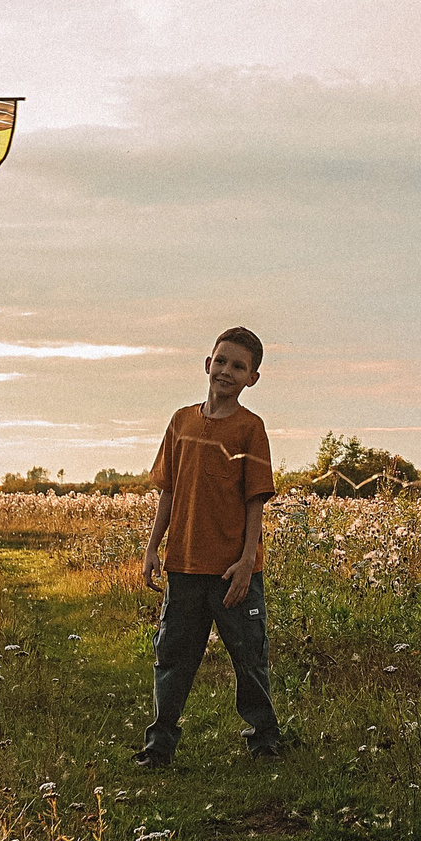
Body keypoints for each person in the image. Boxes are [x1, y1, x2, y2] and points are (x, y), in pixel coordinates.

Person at [136, 327, 282, 765]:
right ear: (207, 364)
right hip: (183, 566)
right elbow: (168, 492)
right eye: (221, 361)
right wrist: (151, 548)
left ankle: (265, 741)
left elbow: (255, 499)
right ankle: (159, 746)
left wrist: (245, 562)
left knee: (249, 658)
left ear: (252, 378)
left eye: (239, 367)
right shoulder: (181, 422)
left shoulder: (250, 430)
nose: (226, 372)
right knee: (173, 658)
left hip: (233, 574)